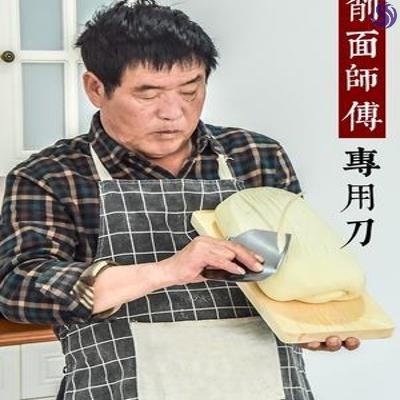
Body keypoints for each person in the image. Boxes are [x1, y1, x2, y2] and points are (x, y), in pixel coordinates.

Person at [0, 1, 360, 399]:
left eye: (191, 90)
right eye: (148, 94)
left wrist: (310, 323)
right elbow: (20, 289)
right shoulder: (51, 176)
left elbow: (295, 263)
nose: (174, 114)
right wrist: (168, 270)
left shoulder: (256, 156)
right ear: (96, 88)